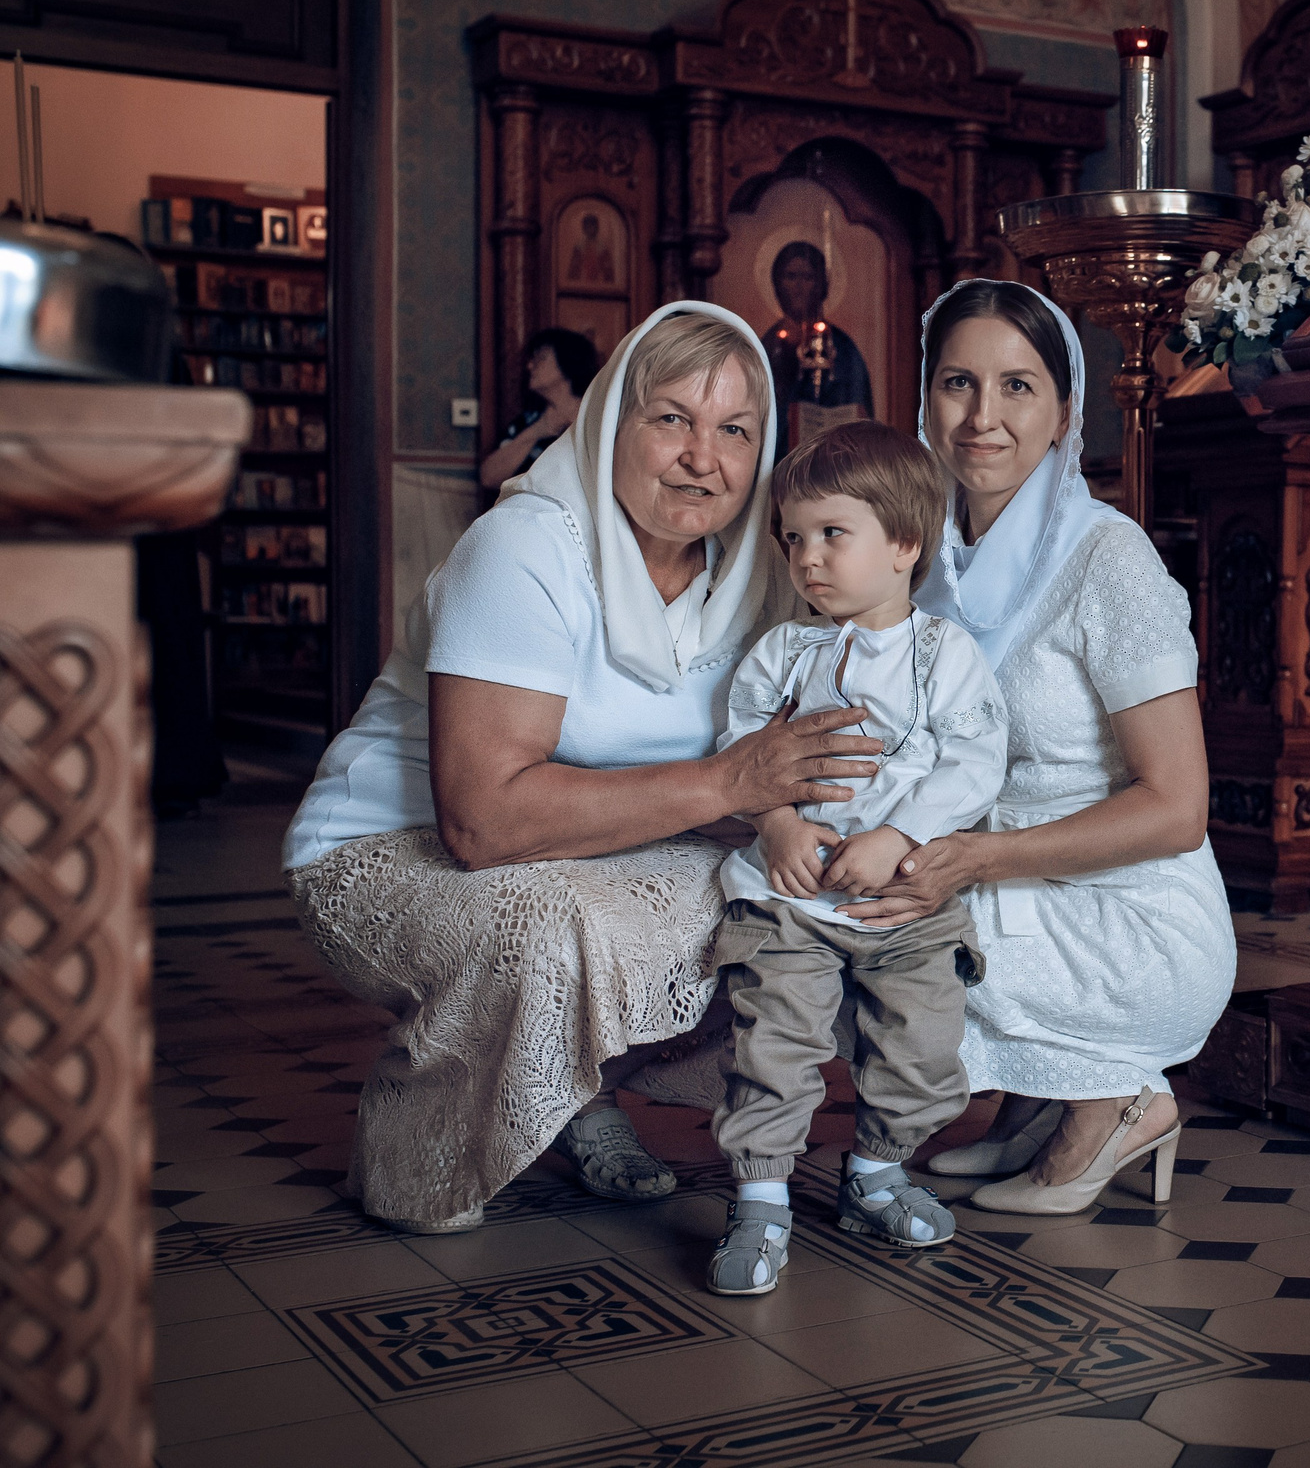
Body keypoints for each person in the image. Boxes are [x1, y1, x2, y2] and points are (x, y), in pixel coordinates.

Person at [281, 303, 885, 1234]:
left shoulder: (760, 569)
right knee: (551, 923)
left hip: (595, 845)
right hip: (389, 854)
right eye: (672, 419)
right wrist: (731, 782)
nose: (704, 458)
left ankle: (569, 1087)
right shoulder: (523, 549)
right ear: (609, 422)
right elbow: (480, 823)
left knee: (795, 906)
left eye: (736, 431)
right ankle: (416, 1157)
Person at [839, 278, 1234, 1216]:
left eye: (1018, 387)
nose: (983, 416)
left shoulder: (1109, 559)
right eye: (958, 383)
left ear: (1065, 413)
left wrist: (972, 857)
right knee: (817, 897)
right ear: (925, 399)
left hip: (1134, 922)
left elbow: (1177, 809)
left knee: (861, 939)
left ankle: (1120, 1099)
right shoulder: (927, 558)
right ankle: (1037, 1101)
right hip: (1009, 884)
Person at [704, 422, 1008, 1294]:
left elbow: (974, 757)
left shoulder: (944, 655)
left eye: (833, 533)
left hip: (903, 903)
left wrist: (899, 836)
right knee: (775, 1041)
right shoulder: (782, 653)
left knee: (922, 1043)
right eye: (794, 537)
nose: (808, 558)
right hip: (791, 900)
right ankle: (760, 1201)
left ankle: (877, 1173)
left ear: (904, 543)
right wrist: (778, 826)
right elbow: (740, 753)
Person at [478, 328, 600, 490]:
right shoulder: (527, 421)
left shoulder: (598, 416)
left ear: (568, 362)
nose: (529, 366)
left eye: (540, 358)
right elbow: (488, 478)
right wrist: (538, 430)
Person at [763, 240, 874, 418]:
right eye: (791, 276)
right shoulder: (768, 345)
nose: (798, 286)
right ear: (777, 284)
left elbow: (857, 408)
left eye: (807, 277)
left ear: (821, 285)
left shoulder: (842, 347)